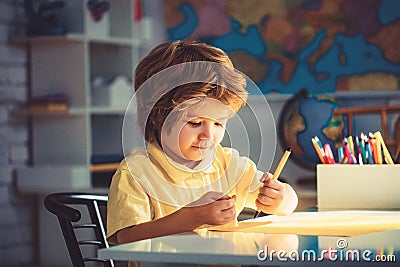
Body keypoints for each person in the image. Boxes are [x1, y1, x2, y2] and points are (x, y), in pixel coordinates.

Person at [107, 41, 298, 248]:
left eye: (218, 123)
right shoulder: (136, 172)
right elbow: (126, 238)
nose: (208, 134)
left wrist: (282, 198)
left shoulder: (227, 164)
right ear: (157, 117)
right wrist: (192, 218)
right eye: (195, 123)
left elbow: (284, 202)